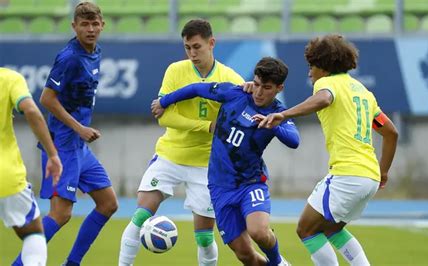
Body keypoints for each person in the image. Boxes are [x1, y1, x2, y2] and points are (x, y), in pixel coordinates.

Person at [255, 35, 398, 265]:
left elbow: (323, 99)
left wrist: (284, 114)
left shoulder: (327, 84)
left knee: (306, 229)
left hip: (348, 174)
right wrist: (382, 171)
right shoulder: (362, 92)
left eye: (312, 66)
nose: (309, 72)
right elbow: (391, 132)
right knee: (332, 228)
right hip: (369, 176)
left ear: (324, 66)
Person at [119, 19, 244, 266]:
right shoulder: (175, 70)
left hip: (206, 165)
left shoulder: (231, 78)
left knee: (205, 238)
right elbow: (163, 115)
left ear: (212, 43)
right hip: (170, 156)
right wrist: (207, 126)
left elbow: (238, 122)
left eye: (197, 47)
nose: (192, 53)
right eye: (187, 48)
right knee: (140, 217)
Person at [152, 57, 298, 266]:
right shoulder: (234, 93)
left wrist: (274, 124)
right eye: (256, 84)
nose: (258, 92)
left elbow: (294, 141)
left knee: (258, 231)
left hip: (250, 183)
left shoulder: (278, 113)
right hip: (219, 187)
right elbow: (195, 89)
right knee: (244, 255)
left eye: (266, 88)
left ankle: (278, 262)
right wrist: (164, 101)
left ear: (278, 88)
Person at [12, 2, 118, 266]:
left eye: (95, 24)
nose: (91, 29)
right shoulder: (69, 57)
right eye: (84, 25)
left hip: (79, 146)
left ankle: (72, 263)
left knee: (108, 204)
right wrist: (79, 128)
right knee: (60, 214)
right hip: (63, 145)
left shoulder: (95, 51)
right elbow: (47, 99)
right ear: (74, 26)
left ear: (102, 25)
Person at [1, 68, 62, 266]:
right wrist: (52, 154)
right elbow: (31, 110)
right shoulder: (9, 78)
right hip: (6, 177)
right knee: (33, 233)